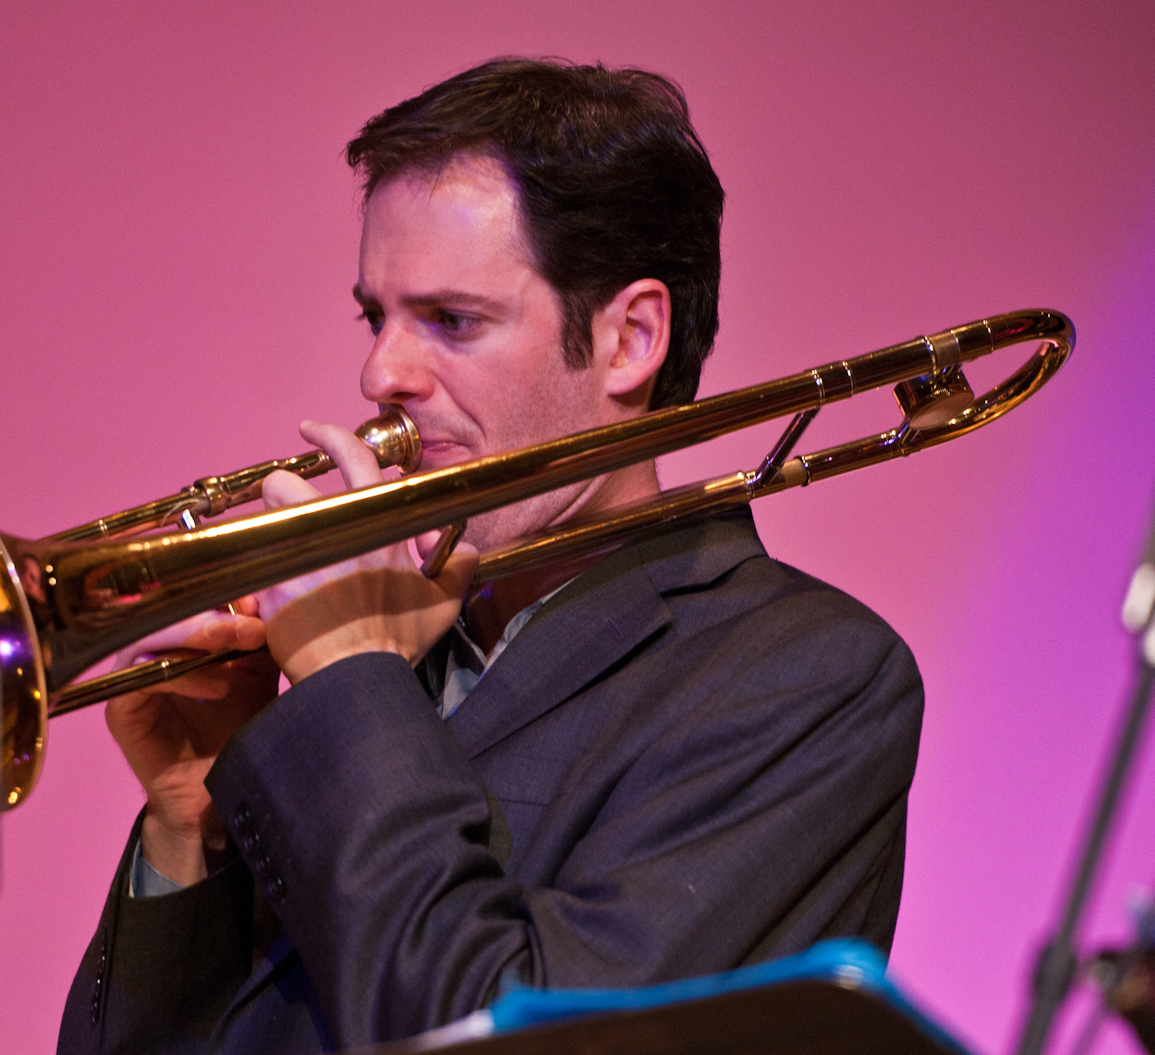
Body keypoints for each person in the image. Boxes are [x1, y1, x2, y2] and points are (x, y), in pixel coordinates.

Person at [57, 58, 923, 1055]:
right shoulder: (390, 658)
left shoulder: (803, 677)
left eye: (453, 320)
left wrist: (347, 683)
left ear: (630, 338)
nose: (380, 371)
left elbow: (507, 1028)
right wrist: (190, 824)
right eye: (375, 315)